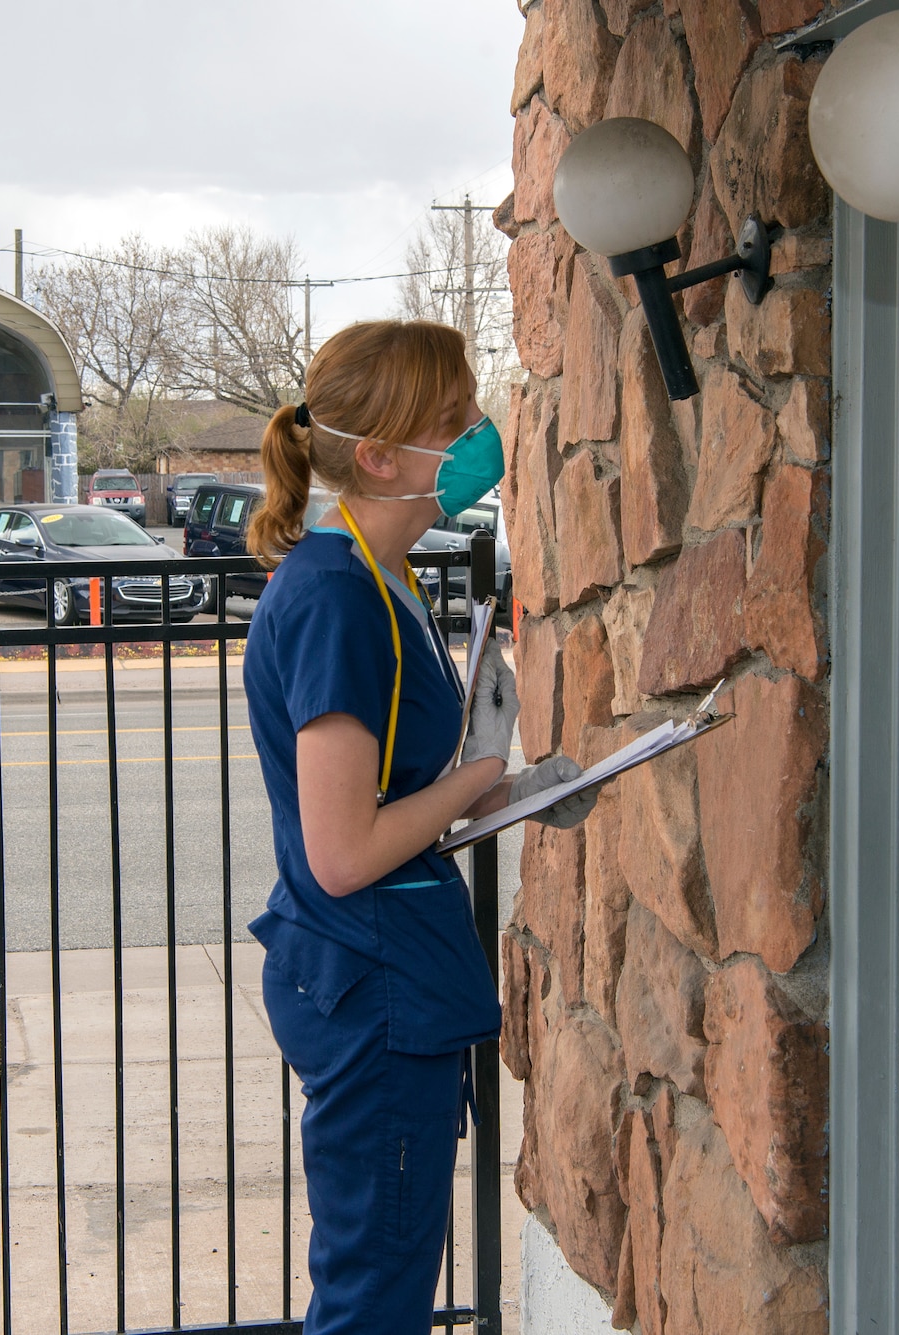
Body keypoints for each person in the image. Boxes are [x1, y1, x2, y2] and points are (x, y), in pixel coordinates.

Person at [242, 321, 595, 1334]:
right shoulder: (338, 600)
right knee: (374, 1298)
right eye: (455, 422)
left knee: (383, 1277)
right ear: (381, 455)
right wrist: (480, 774)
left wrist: (497, 791)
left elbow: (389, 795)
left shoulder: (382, 578)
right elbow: (344, 852)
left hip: (384, 975)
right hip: (372, 986)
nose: (478, 435)